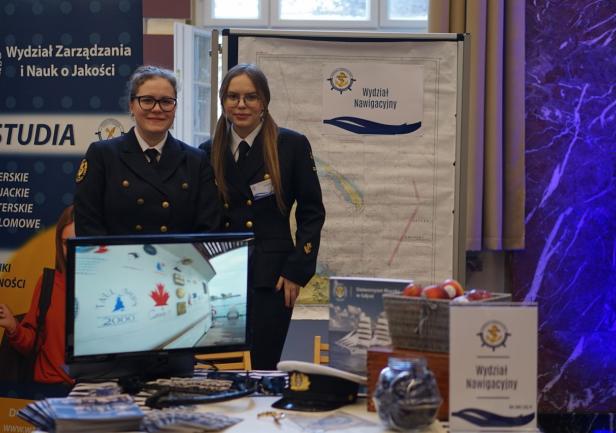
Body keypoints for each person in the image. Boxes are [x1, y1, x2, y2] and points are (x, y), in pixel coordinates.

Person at [200, 63, 326, 370]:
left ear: (264, 102)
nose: (241, 104)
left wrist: (297, 270)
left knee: (263, 366)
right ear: (223, 101)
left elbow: (312, 212)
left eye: (251, 97)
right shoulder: (206, 151)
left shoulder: (291, 145)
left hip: (274, 276)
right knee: (222, 367)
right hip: (221, 273)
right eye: (233, 97)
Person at [74, 65, 221, 236]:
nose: (157, 109)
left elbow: (208, 229)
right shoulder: (102, 155)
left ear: (175, 108)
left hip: (180, 254)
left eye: (166, 102)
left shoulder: (196, 160)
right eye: (147, 100)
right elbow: (87, 224)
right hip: (118, 254)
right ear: (131, 105)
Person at [0, 205, 75, 385]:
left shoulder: (108, 286)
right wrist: (13, 327)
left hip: (92, 389)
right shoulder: (48, 283)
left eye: (78, 242)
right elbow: (32, 344)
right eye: (66, 243)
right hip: (47, 388)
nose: (72, 250)